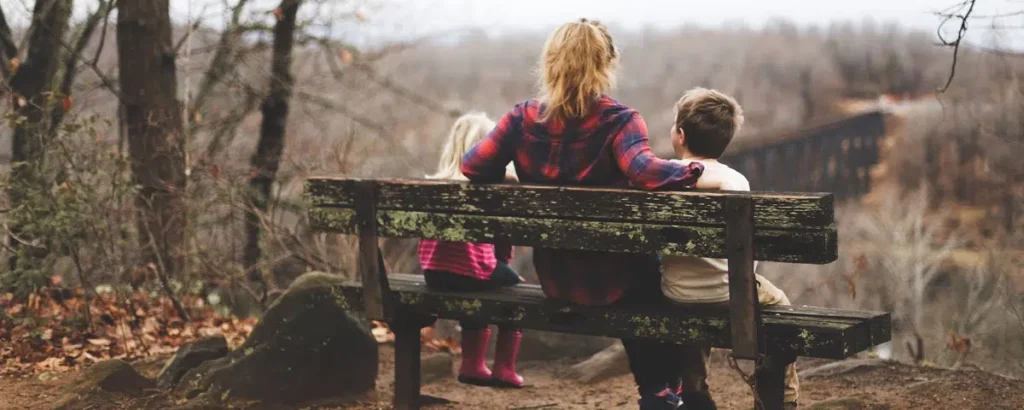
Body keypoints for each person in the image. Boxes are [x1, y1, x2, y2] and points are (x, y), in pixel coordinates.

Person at [460, 19, 705, 410]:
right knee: (658, 279)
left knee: (644, 276)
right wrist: (693, 170)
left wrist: (510, 176)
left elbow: (473, 166)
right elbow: (643, 170)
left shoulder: (521, 120)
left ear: (551, 63)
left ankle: (663, 391)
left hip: (557, 279)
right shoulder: (620, 121)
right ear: (606, 64)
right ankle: (660, 391)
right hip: (619, 281)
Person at [660, 88, 799, 410]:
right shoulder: (735, 181)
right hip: (730, 292)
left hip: (676, 293)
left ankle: (693, 386)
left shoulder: (662, 178)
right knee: (782, 307)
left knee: (691, 312)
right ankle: (786, 397)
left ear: (679, 135)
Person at [418, 112, 525, 388]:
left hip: (434, 273)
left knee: (477, 282)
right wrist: (503, 263)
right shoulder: (489, 188)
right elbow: (502, 242)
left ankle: (473, 365)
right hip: (472, 271)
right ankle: (503, 368)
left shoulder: (434, 186)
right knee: (514, 289)